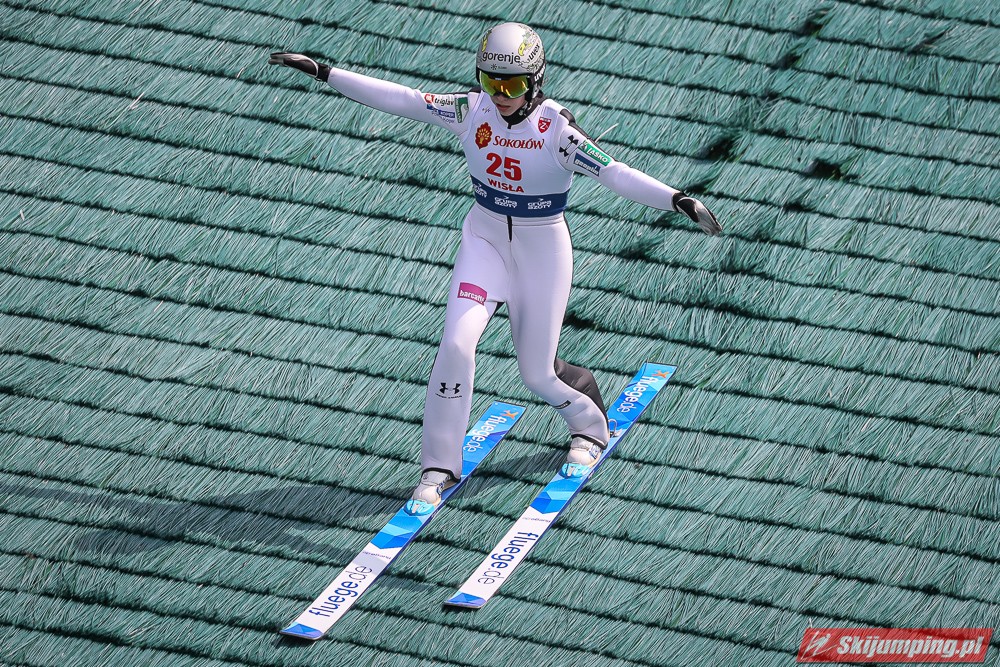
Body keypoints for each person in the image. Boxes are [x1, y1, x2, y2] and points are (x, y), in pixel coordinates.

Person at [269, 22, 721, 515]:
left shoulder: (556, 130)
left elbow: (613, 172)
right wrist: (326, 72)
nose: (500, 96)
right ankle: (438, 467)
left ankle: (590, 427)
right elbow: (404, 99)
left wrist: (677, 199)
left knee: (537, 373)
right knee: (456, 344)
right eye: (490, 81)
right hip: (484, 243)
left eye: (512, 85)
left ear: (535, 80)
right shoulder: (472, 109)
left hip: (541, 252)